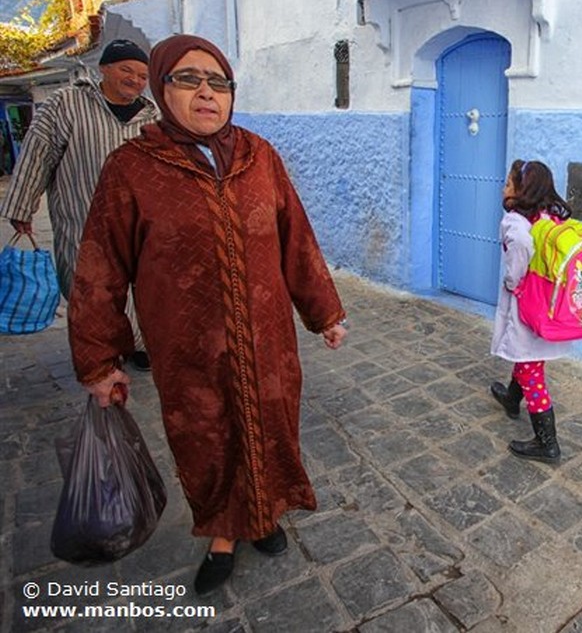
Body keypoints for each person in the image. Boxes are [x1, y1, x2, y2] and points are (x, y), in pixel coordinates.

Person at [67, 34, 349, 596]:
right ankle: (223, 534)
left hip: (268, 340)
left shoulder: (258, 156)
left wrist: (324, 314)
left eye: (218, 82)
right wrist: (99, 360)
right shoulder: (132, 169)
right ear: (160, 87)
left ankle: (264, 515)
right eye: (188, 79)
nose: (206, 93)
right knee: (207, 438)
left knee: (270, 425)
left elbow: (296, 241)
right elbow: (99, 268)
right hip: (188, 348)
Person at [0, 39, 160, 369]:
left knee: (144, 284)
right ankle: (102, 351)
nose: (134, 79)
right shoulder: (67, 104)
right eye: (125, 70)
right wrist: (21, 207)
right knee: (89, 286)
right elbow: (37, 154)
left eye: (142, 75)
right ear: (103, 69)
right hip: (82, 216)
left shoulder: (152, 114)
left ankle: (139, 344)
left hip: (140, 219)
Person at [489, 159, 573, 463]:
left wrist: (513, 281)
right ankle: (512, 398)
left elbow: (521, 251)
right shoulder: (548, 217)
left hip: (527, 303)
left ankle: (547, 443)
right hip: (546, 305)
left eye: (508, 184)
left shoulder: (515, 223)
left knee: (530, 370)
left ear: (520, 192)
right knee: (527, 357)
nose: (503, 188)